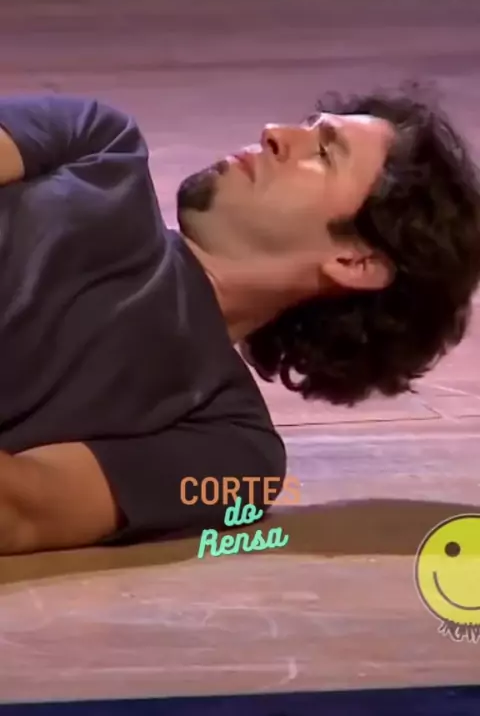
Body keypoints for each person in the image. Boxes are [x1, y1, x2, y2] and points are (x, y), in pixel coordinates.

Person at [0, 85, 479, 555]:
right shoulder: (98, 143)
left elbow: (21, 511)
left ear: (355, 262)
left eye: (324, 153)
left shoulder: (235, 454)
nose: (274, 133)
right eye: (307, 127)